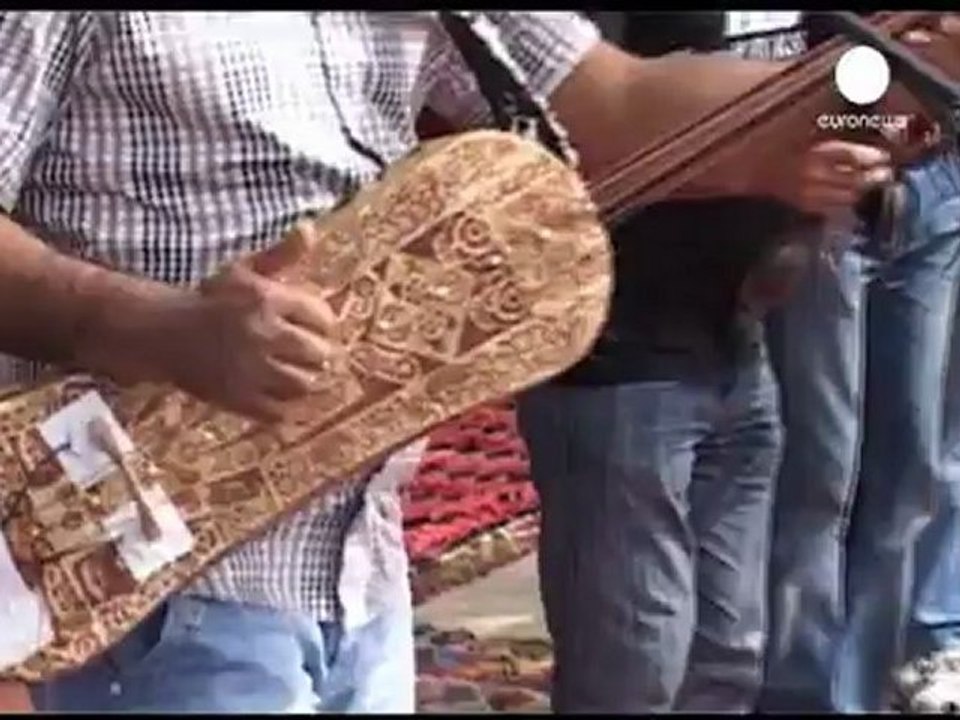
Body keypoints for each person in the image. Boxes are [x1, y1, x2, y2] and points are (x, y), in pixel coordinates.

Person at [0, 10, 893, 714]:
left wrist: (883, 85)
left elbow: (612, 99)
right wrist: (154, 327)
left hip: (358, 572)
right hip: (144, 584)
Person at [516, 10, 893, 713]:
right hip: (618, 362)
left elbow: (846, 105)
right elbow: (553, 149)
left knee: (728, 657)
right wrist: (761, 169)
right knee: (633, 668)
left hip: (740, 347)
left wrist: (874, 145)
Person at [758, 13, 960, 713]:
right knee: (819, 474)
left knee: (910, 470)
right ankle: (801, 694)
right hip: (825, 175)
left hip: (935, 170)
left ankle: (862, 691)